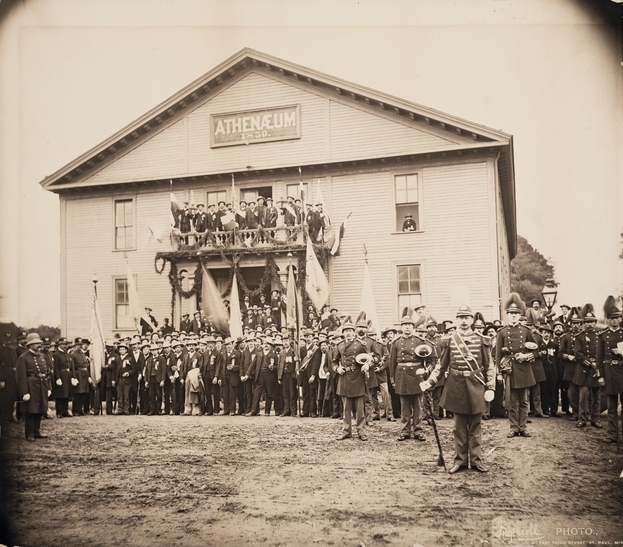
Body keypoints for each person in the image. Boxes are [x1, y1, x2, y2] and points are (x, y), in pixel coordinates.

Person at [422, 305, 495, 473]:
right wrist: (430, 381)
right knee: (458, 427)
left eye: (467, 318)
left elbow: (489, 366)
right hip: (456, 387)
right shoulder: (449, 340)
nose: (464, 321)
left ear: (472, 320)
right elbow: (441, 366)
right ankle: (460, 461)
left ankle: (476, 460)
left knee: (476, 426)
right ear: (457, 320)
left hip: (476, 385)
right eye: (461, 318)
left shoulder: (481, 340)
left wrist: (490, 387)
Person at [389, 312, 437, 442]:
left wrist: (427, 370)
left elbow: (433, 358)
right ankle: (404, 431)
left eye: (410, 325)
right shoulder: (396, 343)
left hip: (417, 376)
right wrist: (393, 380)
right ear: (401, 327)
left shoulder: (420, 341)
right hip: (402, 376)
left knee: (417, 406)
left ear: (413, 327)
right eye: (405, 325)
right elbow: (392, 363)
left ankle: (418, 431)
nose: (407, 327)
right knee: (404, 406)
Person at [496, 294, 538, 438]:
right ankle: (514, 428)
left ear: (519, 315)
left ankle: (523, 427)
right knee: (512, 401)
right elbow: (497, 355)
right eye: (511, 314)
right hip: (510, 369)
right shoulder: (501, 332)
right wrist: (499, 373)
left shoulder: (526, 331)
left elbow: (536, 350)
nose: (513, 316)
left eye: (516, 314)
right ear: (507, 315)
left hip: (524, 368)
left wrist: (526, 356)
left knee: (524, 401)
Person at [332, 318, 370, 441]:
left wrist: (366, 365)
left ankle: (362, 432)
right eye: (346, 331)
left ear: (354, 332)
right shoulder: (340, 345)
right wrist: (337, 369)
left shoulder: (360, 344)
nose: (348, 333)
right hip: (344, 378)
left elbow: (369, 358)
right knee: (346, 408)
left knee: (360, 409)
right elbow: (334, 362)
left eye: (350, 330)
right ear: (343, 332)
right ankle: (346, 431)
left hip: (357, 378)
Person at [596, 296, 623, 443]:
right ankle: (612, 435)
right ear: (608, 319)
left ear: (620, 319)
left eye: (617, 318)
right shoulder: (603, 335)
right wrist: (600, 375)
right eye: (611, 318)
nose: (614, 321)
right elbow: (599, 357)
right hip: (609, 373)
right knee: (611, 407)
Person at [16, 333, 50, 441]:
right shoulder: (23, 357)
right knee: (31, 410)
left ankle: (37, 431)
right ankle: (29, 434)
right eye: (35, 344)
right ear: (29, 345)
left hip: (42, 385)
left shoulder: (42, 356)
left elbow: (47, 373)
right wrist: (24, 392)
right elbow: (20, 376)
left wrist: (48, 388)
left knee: (40, 408)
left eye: (39, 343)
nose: (38, 345)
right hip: (31, 386)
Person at [573, 305, 602, 429]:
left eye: (591, 322)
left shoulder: (600, 336)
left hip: (597, 370)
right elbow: (578, 354)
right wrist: (590, 363)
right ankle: (582, 419)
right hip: (584, 370)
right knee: (583, 397)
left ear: (595, 323)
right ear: (584, 324)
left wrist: (597, 365)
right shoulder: (579, 336)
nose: (589, 324)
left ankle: (595, 419)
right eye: (587, 322)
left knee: (597, 397)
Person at [0, 333, 19, 433]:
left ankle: (11, 416)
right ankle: (4, 418)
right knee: (5, 398)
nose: (8, 341)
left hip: (13, 376)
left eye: (9, 339)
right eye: (5, 339)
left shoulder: (12, 350)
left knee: (12, 397)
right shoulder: (1, 350)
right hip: (5, 376)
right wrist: (1, 379)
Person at [102, 340, 120, 416]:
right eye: (108, 347)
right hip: (104, 377)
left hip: (111, 376)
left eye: (110, 347)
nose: (109, 348)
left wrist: (108, 366)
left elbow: (116, 366)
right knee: (106, 395)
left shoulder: (115, 356)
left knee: (112, 394)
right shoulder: (102, 355)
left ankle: (112, 410)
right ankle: (106, 410)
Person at [115, 343, 134, 415]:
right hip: (119, 379)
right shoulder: (117, 359)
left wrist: (128, 373)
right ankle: (120, 409)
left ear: (126, 350)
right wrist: (114, 379)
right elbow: (114, 370)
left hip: (127, 379)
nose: (122, 351)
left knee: (126, 395)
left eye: (123, 349)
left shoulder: (130, 358)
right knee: (119, 395)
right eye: (120, 349)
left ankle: (126, 410)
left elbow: (133, 369)